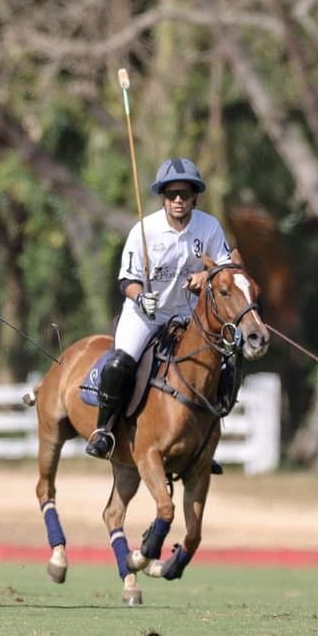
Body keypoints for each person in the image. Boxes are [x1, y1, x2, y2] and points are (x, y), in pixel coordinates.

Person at [85, 157, 237, 460]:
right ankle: (104, 431)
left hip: (189, 316)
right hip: (145, 315)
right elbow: (127, 280)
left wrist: (205, 275)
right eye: (171, 194)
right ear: (163, 198)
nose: (178, 200)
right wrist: (140, 297)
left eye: (184, 193)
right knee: (120, 363)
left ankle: (207, 439)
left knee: (223, 365)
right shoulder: (145, 230)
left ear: (195, 196)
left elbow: (226, 266)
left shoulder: (209, 227)